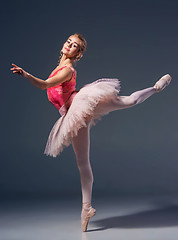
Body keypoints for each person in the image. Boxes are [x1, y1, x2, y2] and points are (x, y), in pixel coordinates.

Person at [10, 33, 172, 232]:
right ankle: (86, 208)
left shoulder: (67, 70)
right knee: (82, 163)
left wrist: (26, 74)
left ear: (78, 53)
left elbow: (44, 84)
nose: (70, 45)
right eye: (69, 41)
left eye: (75, 45)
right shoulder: (59, 67)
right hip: (73, 116)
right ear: (64, 45)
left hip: (82, 104)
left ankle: (156, 88)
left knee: (130, 101)